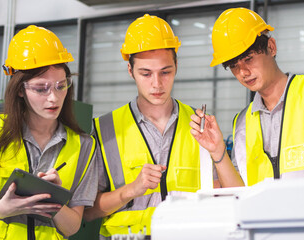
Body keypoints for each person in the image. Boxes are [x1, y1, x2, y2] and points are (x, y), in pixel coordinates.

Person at [83, 14, 243, 239]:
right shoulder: (103, 129)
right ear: (130, 71)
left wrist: (218, 153)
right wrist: (132, 189)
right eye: (145, 73)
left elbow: (233, 196)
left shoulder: (200, 124)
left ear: (176, 67)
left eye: (165, 72)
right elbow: (87, 212)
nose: (156, 84)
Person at [0, 25, 97, 239]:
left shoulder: (83, 145)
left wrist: (54, 202)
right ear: (20, 89)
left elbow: (72, 227)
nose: (54, 97)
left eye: (61, 86)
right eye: (41, 88)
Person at [190, 8, 304, 186]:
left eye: (248, 58)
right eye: (234, 65)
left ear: (271, 47)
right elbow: (239, 195)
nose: (243, 72)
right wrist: (218, 151)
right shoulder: (242, 122)